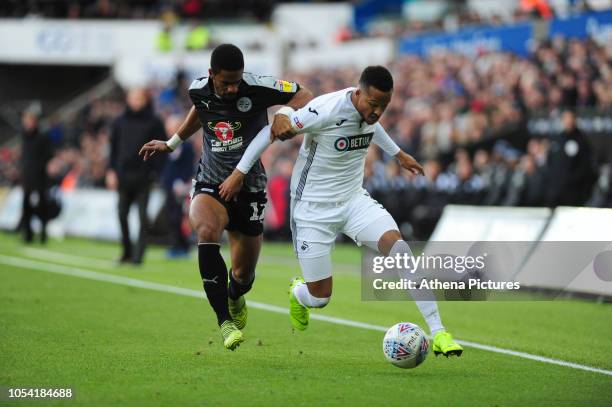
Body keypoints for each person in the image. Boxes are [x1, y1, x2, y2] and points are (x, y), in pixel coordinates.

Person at [220, 66, 463, 357]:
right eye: (373, 104)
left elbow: (374, 128)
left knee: (400, 250)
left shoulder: (369, 114)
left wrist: (399, 155)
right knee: (320, 298)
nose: (377, 112)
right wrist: (239, 172)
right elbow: (269, 132)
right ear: (359, 94)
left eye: (384, 106)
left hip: (353, 201)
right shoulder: (327, 110)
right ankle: (299, 293)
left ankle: (439, 333)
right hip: (313, 210)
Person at [138, 44, 313, 350]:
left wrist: (284, 115)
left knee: (243, 274)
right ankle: (224, 322)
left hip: (250, 186)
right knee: (205, 231)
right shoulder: (198, 89)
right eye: (225, 82)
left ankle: (235, 295)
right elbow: (200, 110)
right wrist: (173, 142)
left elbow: (304, 95)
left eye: (236, 81)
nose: (232, 88)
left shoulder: (259, 86)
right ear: (211, 75)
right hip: (210, 181)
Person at [107, 88, 166, 265]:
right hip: (123, 176)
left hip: (144, 176)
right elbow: (113, 149)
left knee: (142, 217)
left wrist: (156, 172)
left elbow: (163, 149)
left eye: (139, 98)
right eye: (133, 98)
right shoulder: (119, 121)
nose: (136, 101)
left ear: (145, 100)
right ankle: (126, 251)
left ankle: (138, 257)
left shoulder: (154, 121)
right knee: (122, 214)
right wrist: (111, 170)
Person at [159, 115, 195, 258]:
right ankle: (177, 245)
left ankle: (181, 246)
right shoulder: (164, 142)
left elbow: (188, 166)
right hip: (168, 185)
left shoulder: (186, 145)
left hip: (180, 186)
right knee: (171, 216)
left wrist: (183, 182)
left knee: (178, 217)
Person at [20, 105, 52, 243]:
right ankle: (27, 234)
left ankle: (43, 233)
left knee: (42, 206)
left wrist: (40, 169)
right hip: (27, 177)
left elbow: (47, 156)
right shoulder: (24, 136)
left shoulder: (42, 137)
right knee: (26, 206)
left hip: (40, 177)